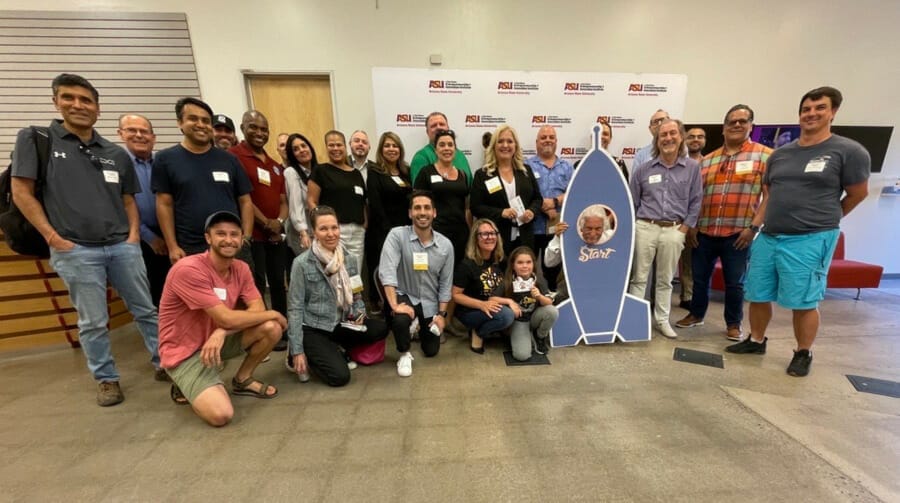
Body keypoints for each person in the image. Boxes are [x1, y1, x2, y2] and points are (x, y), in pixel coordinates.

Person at [11, 73, 163, 406]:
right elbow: (21, 191)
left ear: (97, 108)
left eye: (86, 100)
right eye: (69, 98)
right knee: (93, 321)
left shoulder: (114, 153)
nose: (78, 105)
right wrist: (52, 237)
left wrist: (132, 237)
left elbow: (128, 200)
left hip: (121, 246)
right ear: (56, 102)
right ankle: (106, 378)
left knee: (146, 309)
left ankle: (165, 361)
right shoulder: (37, 139)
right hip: (75, 249)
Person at [726, 87, 870, 377]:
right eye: (806, 109)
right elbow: (769, 194)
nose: (811, 113)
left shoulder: (848, 151)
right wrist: (756, 227)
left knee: (803, 299)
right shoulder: (780, 155)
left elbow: (858, 193)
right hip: (770, 236)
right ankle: (756, 340)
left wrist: (825, 219)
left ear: (833, 112)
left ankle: (803, 352)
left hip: (810, 239)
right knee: (758, 293)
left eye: (819, 108)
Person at [158, 211, 283, 426]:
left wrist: (222, 331)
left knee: (271, 328)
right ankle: (184, 382)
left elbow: (257, 310)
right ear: (208, 238)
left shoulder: (241, 268)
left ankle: (242, 379)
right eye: (221, 234)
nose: (228, 240)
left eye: (234, 234)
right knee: (221, 415)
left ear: (242, 239)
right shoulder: (188, 270)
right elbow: (228, 317)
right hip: (185, 352)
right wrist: (274, 312)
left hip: (216, 340)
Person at [676, 105, 771, 341]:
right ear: (724, 127)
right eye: (732, 121)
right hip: (704, 231)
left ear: (751, 126)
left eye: (742, 121)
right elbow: (695, 197)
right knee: (699, 279)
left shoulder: (764, 156)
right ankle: (696, 314)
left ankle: (733, 323)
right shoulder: (708, 160)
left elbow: (770, 196)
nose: (737, 125)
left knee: (735, 282)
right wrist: (693, 226)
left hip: (739, 233)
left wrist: (753, 228)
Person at [286, 206, 389, 386]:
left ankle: (334, 347)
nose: (330, 234)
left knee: (380, 329)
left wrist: (360, 317)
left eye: (334, 227)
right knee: (340, 377)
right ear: (314, 232)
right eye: (323, 229)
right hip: (314, 327)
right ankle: (307, 352)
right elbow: (295, 308)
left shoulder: (348, 258)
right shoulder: (301, 264)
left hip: (341, 322)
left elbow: (356, 294)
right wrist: (297, 350)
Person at [152, 97, 254, 262]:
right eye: (193, 119)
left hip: (231, 246)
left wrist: (246, 238)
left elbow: (245, 201)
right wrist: (172, 246)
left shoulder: (229, 159)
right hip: (190, 248)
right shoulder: (165, 159)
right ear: (180, 123)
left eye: (206, 121)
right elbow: (164, 204)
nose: (200, 124)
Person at [628, 119, 702, 339]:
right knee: (639, 277)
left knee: (665, 279)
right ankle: (634, 321)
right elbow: (633, 201)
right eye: (663, 135)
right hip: (645, 227)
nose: (668, 138)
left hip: (674, 230)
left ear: (681, 137)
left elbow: (696, 200)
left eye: (672, 133)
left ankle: (662, 320)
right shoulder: (643, 169)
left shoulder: (692, 168)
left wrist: (684, 229)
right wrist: (636, 225)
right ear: (657, 140)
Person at [228, 110, 289, 351]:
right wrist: (266, 223)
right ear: (243, 128)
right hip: (252, 235)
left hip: (275, 235)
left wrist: (279, 222)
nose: (259, 133)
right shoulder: (233, 157)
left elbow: (283, 200)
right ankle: (261, 332)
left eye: (264, 129)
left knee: (278, 283)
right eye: (253, 127)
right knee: (255, 286)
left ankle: (282, 328)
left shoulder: (274, 166)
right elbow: (243, 198)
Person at [379, 191, 454, 376]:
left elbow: (446, 284)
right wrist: (395, 305)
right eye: (417, 208)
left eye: (427, 208)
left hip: (429, 301)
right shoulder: (396, 235)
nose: (422, 212)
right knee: (400, 320)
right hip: (405, 294)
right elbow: (387, 271)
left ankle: (417, 326)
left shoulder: (446, 246)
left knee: (431, 350)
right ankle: (404, 353)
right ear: (410, 213)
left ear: (434, 212)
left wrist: (441, 315)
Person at [117, 113, 170, 307]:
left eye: (144, 131)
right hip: (139, 239)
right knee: (153, 293)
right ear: (121, 134)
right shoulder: (118, 166)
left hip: (171, 235)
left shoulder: (164, 163)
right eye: (132, 130)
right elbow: (121, 205)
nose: (139, 135)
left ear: (153, 137)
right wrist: (149, 237)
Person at [470, 125, 543, 252]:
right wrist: (501, 213)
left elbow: (537, 199)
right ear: (494, 145)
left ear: (515, 146)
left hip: (525, 238)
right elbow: (476, 207)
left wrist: (532, 211)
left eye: (509, 141)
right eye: (500, 141)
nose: (505, 145)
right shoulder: (482, 175)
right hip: (496, 240)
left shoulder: (525, 171)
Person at [452, 218, 516, 353]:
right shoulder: (466, 265)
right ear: (476, 238)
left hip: (495, 305)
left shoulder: (501, 260)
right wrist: (482, 305)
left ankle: (494, 327)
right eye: (484, 234)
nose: (490, 237)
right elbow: (456, 295)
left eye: (493, 233)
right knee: (507, 316)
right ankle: (479, 332)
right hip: (471, 311)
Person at [306, 130, 367, 267]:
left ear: (345, 146)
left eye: (339, 145)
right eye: (331, 145)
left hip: (357, 232)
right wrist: (321, 225)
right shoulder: (320, 170)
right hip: (334, 231)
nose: (335, 148)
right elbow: (311, 201)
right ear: (326, 147)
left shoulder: (356, 174)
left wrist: (364, 225)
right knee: (335, 269)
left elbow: (362, 202)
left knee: (355, 271)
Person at [366, 131, 412, 309]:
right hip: (383, 230)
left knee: (404, 269)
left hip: (405, 229)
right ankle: (386, 306)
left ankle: (404, 303)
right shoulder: (375, 172)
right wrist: (390, 232)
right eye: (387, 146)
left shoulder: (406, 171)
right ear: (381, 149)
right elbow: (375, 204)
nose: (391, 149)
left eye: (395, 146)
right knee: (386, 269)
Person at [524, 125, 573, 290]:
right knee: (525, 269)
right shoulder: (526, 166)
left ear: (556, 141)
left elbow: (574, 193)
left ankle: (554, 299)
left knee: (553, 272)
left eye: (551, 137)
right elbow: (522, 194)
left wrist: (555, 202)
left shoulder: (567, 167)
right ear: (536, 142)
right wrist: (543, 206)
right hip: (531, 227)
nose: (547, 140)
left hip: (556, 229)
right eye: (543, 137)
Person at [413, 129, 471, 264]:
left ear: (455, 149)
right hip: (434, 232)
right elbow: (416, 205)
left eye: (450, 145)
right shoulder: (426, 172)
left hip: (459, 233)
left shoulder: (462, 174)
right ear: (436, 150)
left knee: (457, 270)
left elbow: (467, 207)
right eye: (442, 145)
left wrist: (470, 231)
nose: (447, 148)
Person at [504, 246, 558, 360]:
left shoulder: (539, 280)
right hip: (519, 321)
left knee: (552, 311)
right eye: (520, 262)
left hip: (534, 317)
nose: (525, 266)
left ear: (533, 264)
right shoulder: (508, 281)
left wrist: (539, 296)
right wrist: (509, 301)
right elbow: (492, 299)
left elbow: (549, 302)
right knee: (522, 356)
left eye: (528, 262)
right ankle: (521, 336)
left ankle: (540, 336)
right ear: (513, 265)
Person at [677, 127, 708, 310]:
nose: (696, 140)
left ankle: (694, 298)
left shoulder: (710, 162)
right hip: (683, 221)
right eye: (691, 137)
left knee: (699, 263)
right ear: (684, 140)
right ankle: (687, 296)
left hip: (706, 221)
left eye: (700, 137)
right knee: (686, 261)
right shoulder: (679, 164)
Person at [409, 112, 472, 184]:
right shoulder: (421, 157)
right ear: (427, 132)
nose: (438, 127)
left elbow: (470, 185)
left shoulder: (461, 155)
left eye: (442, 124)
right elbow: (418, 189)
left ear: (448, 128)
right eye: (433, 126)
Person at [283, 133, 318, 257]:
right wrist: (303, 232)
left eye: (304, 146)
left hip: (317, 228)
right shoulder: (291, 172)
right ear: (292, 155)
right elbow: (295, 205)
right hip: (301, 231)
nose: (302, 150)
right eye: (296, 149)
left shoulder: (318, 171)